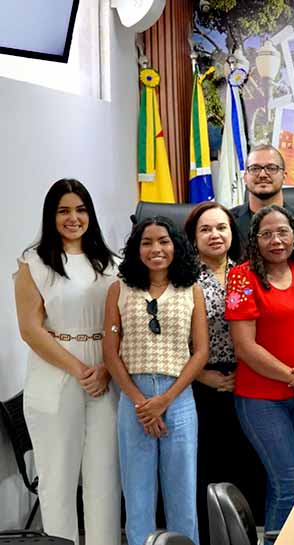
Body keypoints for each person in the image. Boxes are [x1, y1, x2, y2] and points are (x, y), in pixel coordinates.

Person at [13, 179, 120, 545]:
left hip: (106, 376)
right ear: (51, 216)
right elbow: (30, 330)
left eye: (80, 210)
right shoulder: (33, 263)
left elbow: (122, 323)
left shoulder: (113, 264)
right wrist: (81, 370)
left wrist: (106, 368)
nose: (73, 218)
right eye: (64, 211)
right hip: (56, 376)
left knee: (105, 478)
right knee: (57, 478)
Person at [103, 216, 208, 545]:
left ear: (176, 246)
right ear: (136, 249)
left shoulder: (192, 290)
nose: (156, 249)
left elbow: (201, 352)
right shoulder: (119, 289)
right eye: (146, 242)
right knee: (137, 495)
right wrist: (141, 404)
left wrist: (165, 400)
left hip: (178, 399)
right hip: (134, 400)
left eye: (163, 241)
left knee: (182, 494)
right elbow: (110, 354)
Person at [224, 205, 294, 542]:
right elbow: (244, 347)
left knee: (283, 483)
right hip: (261, 400)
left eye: (282, 232)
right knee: (289, 484)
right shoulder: (242, 277)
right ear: (254, 240)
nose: (276, 240)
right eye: (266, 234)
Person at [183, 202, 266, 545]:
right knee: (208, 466)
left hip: (248, 377)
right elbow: (171, 337)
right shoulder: (182, 278)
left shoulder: (248, 273)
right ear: (193, 237)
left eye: (221, 227)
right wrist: (203, 376)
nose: (215, 235)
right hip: (202, 382)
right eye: (205, 229)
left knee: (246, 463)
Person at [231, 144, 294, 277]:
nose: (263, 174)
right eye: (255, 168)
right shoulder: (228, 222)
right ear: (245, 177)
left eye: (271, 168)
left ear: (284, 175)